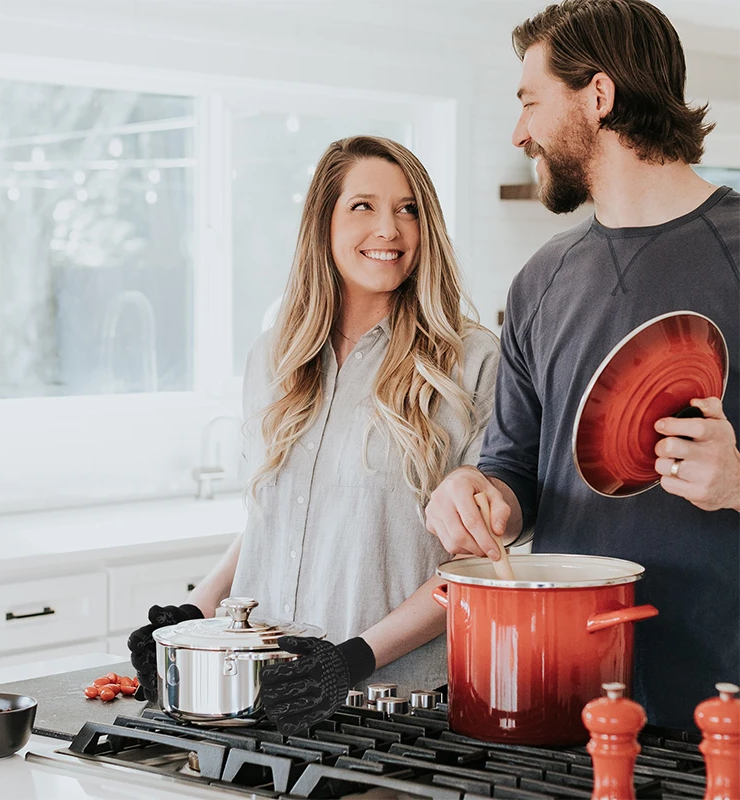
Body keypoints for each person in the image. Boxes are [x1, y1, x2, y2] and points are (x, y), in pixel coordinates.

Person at [424, 0, 739, 731]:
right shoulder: (541, 278)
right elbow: (515, 469)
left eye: (531, 101)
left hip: (719, 709)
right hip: (572, 702)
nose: (519, 131)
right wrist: (483, 494)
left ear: (598, 97)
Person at [129, 135, 500, 733]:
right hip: (265, 698)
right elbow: (272, 520)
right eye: (363, 207)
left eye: (408, 209)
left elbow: (477, 566)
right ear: (322, 224)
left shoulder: (469, 362)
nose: (390, 229)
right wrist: (190, 613)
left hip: (394, 708)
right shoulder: (275, 358)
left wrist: (352, 657)